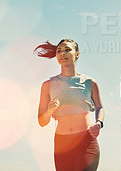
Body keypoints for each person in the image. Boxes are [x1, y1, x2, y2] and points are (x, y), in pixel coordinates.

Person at [35, 39, 104, 171]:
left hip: (86, 141)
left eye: (67, 50)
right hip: (62, 144)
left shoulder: (90, 82)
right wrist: (50, 111)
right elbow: (42, 122)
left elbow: (100, 107)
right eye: (59, 51)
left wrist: (99, 123)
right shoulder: (47, 85)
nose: (63, 54)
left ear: (77, 54)